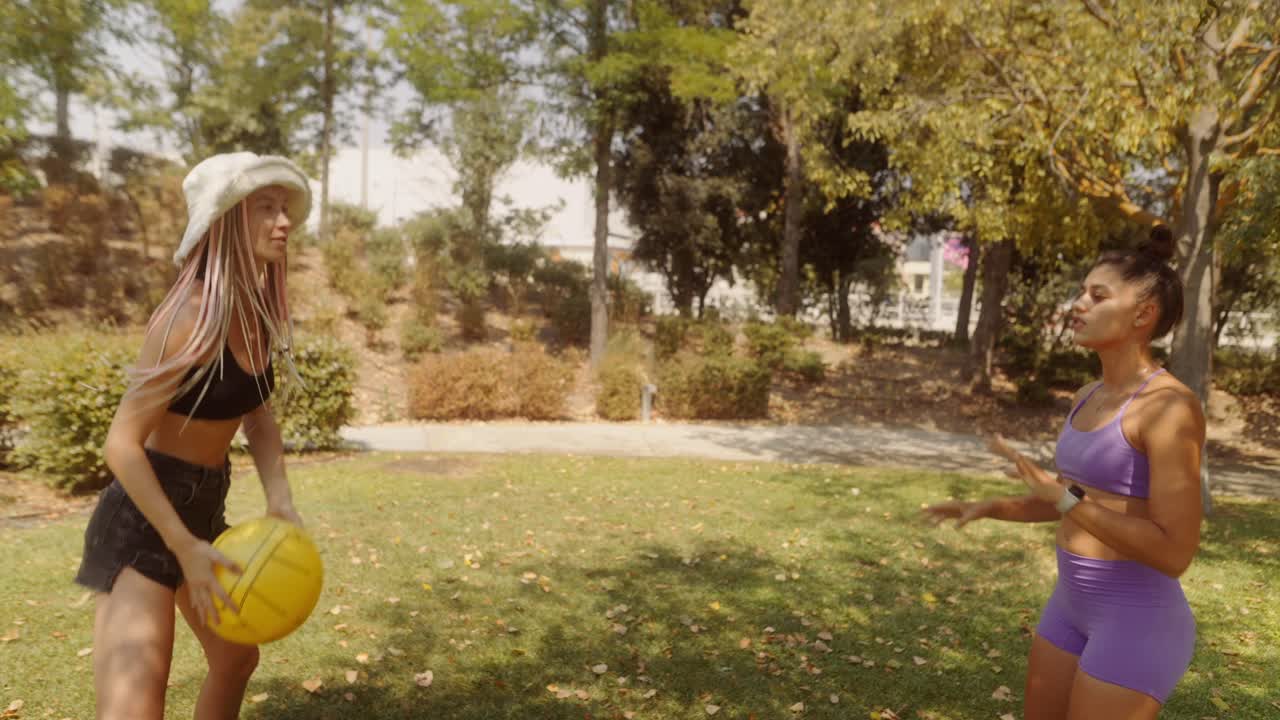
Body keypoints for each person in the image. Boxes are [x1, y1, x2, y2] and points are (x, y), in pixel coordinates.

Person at [924, 226, 1205, 720]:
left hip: (1136, 619)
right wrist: (989, 507)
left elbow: (1174, 552)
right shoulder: (1086, 396)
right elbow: (1068, 499)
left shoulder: (1170, 408)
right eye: (1081, 292)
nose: (1079, 304)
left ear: (1143, 314)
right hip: (1070, 604)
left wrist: (1065, 498)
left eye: (1097, 296)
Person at [74, 152, 311, 720]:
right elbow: (121, 444)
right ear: (226, 218)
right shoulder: (188, 318)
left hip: (203, 510)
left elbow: (256, 413)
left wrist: (280, 497)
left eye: (285, 209)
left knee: (235, 660)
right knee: (134, 710)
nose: (284, 223)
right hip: (144, 521)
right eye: (265, 209)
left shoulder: (251, 312)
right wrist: (182, 545)